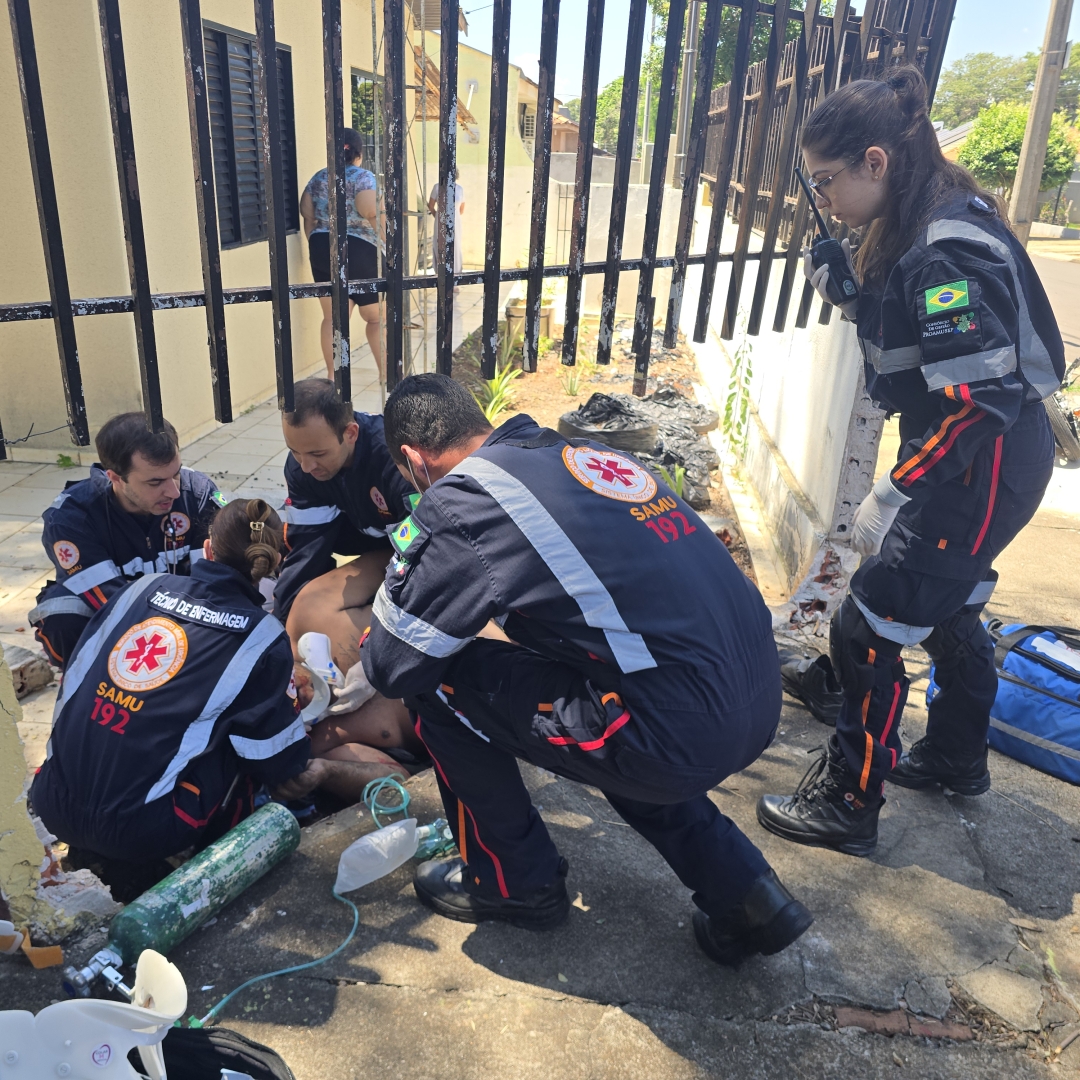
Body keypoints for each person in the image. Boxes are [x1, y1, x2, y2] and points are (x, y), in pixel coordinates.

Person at [349, 373, 812, 966]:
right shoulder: (579, 454)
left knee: (436, 682)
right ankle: (748, 895)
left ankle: (513, 882)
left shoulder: (465, 499)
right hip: (754, 697)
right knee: (611, 696)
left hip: (675, 732)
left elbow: (392, 664)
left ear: (414, 460)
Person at [757, 67, 1063, 857]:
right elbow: (923, 343)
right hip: (986, 458)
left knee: (867, 626)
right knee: (948, 607)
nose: (823, 198)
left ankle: (849, 801)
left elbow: (978, 401)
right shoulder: (933, 216)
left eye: (827, 180)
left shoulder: (944, 250)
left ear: (876, 161)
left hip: (976, 462)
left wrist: (895, 490)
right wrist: (853, 295)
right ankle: (957, 756)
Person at [275, 378, 422, 763]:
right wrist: (279, 637)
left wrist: (379, 654)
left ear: (351, 433)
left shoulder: (395, 465)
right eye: (295, 451)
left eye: (317, 453)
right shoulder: (303, 469)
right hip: (370, 542)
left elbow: (425, 560)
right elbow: (307, 552)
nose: (306, 466)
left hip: (413, 548)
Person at [30, 413, 224, 670]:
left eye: (176, 474)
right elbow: (112, 604)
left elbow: (217, 580)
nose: (174, 491)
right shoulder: (71, 518)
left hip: (189, 613)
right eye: (155, 482)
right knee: (62, 616)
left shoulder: (197, 492)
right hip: (117, 620)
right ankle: (84, 681)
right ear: (115, 477)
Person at [300, 128, 384, 382]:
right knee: (376, 317)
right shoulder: (364, 177)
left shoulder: (318, 177)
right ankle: (387, 374)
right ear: (359, 154)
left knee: (334, 317)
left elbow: (308, 214)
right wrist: (387, 245)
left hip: (322, 247)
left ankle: (332, 377)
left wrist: (316, 242)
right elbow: (370, 210)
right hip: (359, 248)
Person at [428, 167, 464, 288]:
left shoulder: (460, 189)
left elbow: (461, 209)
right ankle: (440, 277)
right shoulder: (437, 187)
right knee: (440, 245)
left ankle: (455, 279)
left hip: (456, 222)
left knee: (455, 246)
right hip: (440, 221)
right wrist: (438, 216)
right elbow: (431, 205)